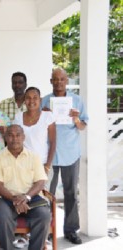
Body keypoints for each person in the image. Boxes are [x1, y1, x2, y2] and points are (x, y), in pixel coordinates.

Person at [41, 68, 88, 245]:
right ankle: (46, 229)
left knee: (70, 194)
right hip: (49, 155)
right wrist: (42, 115)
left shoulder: (76, 100)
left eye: (62, 79)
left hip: (70, 153)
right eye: (55, 79)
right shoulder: (44, 101)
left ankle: (70, 230)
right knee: (47, 194)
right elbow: (37, 126)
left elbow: (83, 125)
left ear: (66, 81)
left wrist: (76, 119)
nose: (59, 82)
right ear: (51, 81)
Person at [0, 124, 51, 250]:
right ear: (6, 138)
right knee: (2, 217)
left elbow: (40, 181)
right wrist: (14, 199)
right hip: (5, 198)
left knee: (44, 215)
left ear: (23, 137)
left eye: (18, 135)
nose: (14, 138)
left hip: (31, 197)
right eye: (10, 135)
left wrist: (26, 197)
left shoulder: (34, 157)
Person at [13, 87, 56, 188]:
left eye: (35, 98)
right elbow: (15, 141)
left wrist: (47, 166)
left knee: (43, 198)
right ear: (24, 100)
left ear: (40, 100)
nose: (31, 101)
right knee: (25, 197)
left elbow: (53, 142)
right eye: (28, 98)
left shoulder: (47, 116)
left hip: (42, 164)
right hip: (23, 165)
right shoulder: (18, 117)